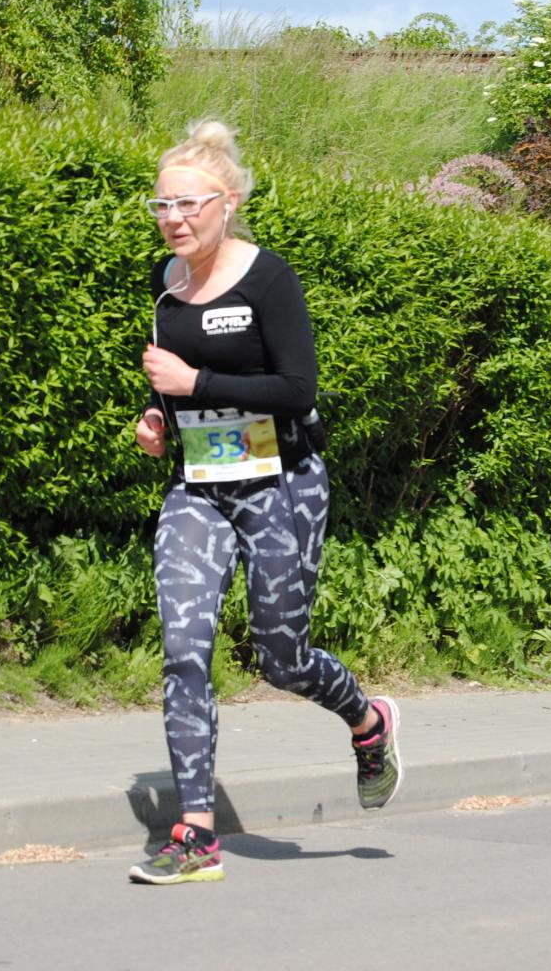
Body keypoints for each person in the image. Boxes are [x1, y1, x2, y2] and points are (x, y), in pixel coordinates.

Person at [128, 120, 402, 885]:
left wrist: (196, 385)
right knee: (184, 651)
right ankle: (194, 834)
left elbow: (296, 388)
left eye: (188, 204)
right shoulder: (165, 281)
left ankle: (367, 721)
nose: (173, 219)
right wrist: (156, 415)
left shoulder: (268, 279)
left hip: (283, 484)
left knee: (282, 658)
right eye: (161, 205)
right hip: (198, 489)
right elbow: (169, 375)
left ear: (229, 202)